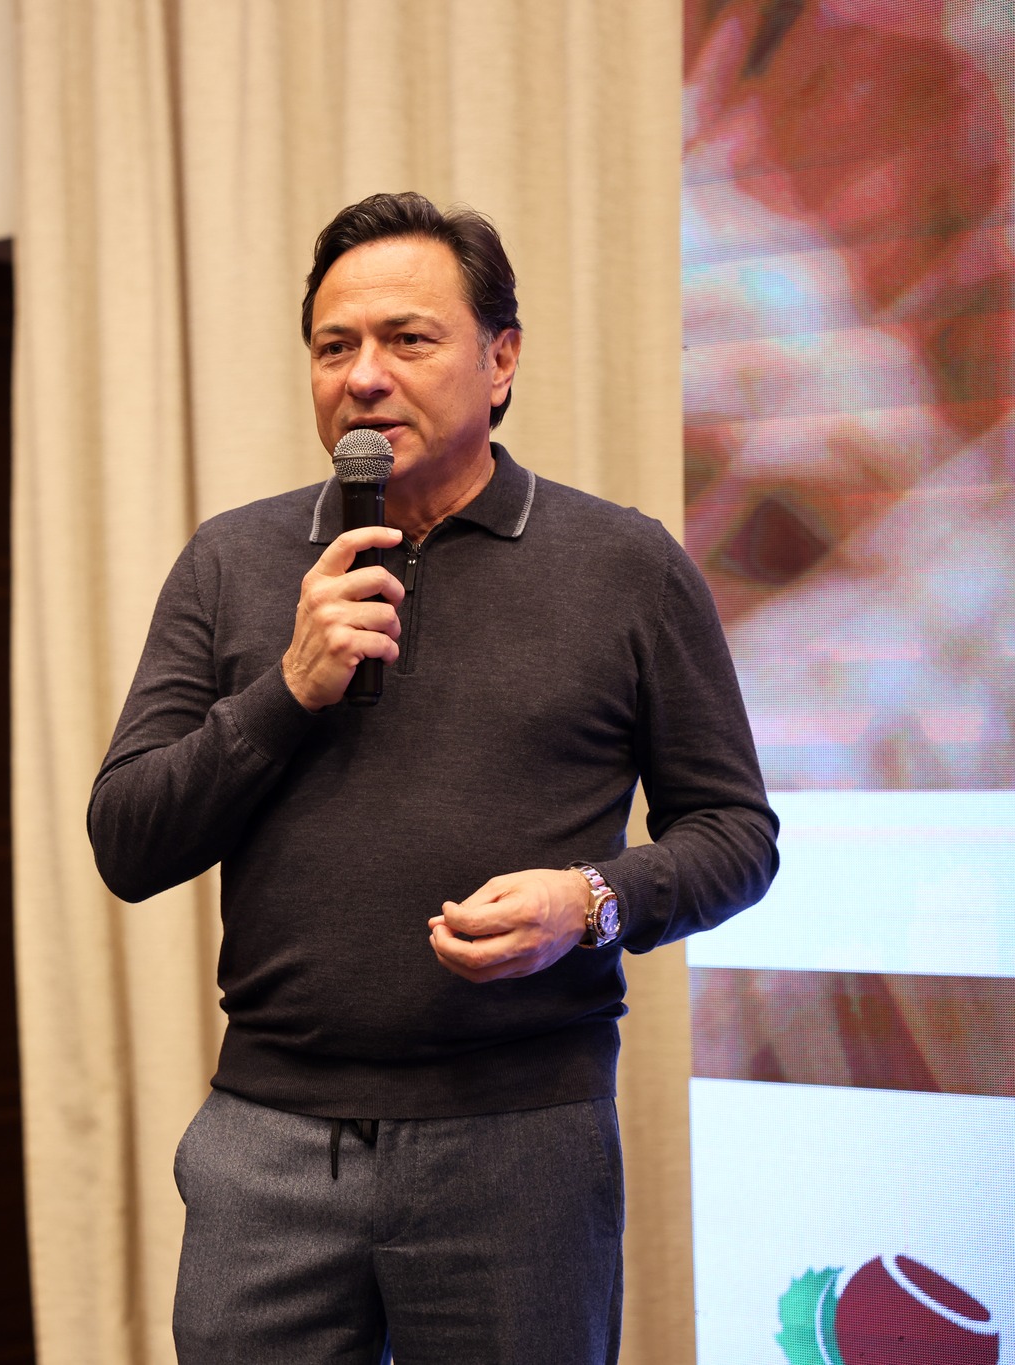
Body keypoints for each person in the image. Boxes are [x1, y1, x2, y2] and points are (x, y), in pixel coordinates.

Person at [88, 192, 779, 1364]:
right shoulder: (230, 562)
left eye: (406, 340)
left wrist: (589, 901)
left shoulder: (623, 565)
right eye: (332, 347)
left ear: (499, 360)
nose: (362, 377)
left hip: (519, 1141)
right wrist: (287, 689)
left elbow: (732, 834)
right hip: (266, 1144)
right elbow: (127, 840)